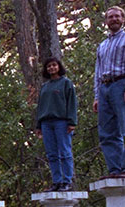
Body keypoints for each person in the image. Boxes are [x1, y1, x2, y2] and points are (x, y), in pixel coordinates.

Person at [93, 6, 125, 179]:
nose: (113, 19)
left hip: (123, 84)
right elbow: (98, 72)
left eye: (117, 16)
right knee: (107, 132)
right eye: (110, 17)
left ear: (123, 19)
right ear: (106, 21)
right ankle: (115, 169)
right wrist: (97, 96)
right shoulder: (102, 45)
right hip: (105, 88)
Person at [35, 58, 78, 191]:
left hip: (62, 121)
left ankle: (67, 181)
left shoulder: (66, 83)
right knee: (51, 154)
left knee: (65, 152)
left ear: (59, 67)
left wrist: (72, 122)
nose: (51, 68)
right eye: (49, 66)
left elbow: (72, 103)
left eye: (54, 65)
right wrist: (38, 125)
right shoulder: (45, 87)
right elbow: (41, 106)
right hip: (46, 123)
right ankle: (57, 181)